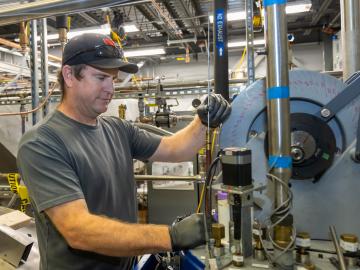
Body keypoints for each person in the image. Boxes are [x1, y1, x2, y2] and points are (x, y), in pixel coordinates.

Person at [17, 33, 231, 270]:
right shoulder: (42, 142)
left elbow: (176, 149)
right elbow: (79, 230)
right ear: (69, 75)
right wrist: (170, 236)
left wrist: (204, 120)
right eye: (101, 77)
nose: (111, 89)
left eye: (113, 79)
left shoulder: (117, 129)